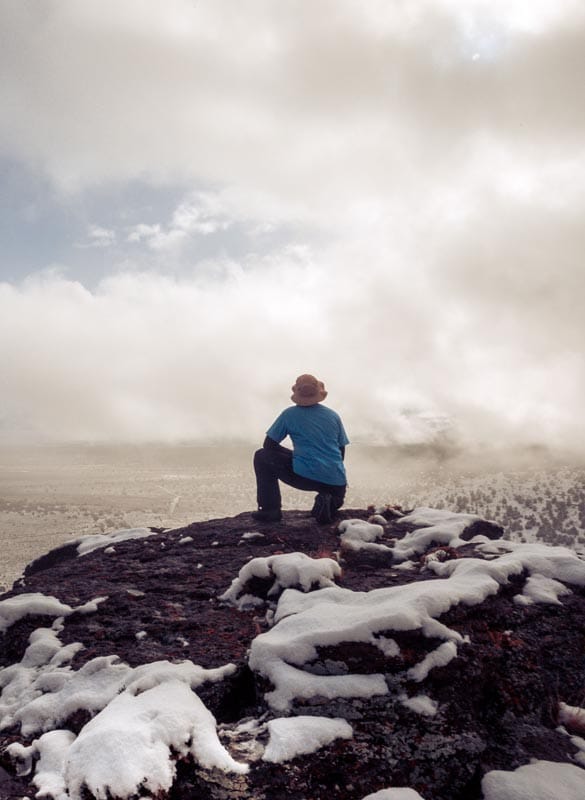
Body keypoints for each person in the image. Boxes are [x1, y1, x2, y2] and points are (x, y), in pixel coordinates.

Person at [252, 374, 349, 524]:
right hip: (336, 482)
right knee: (334, 498)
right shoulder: (332, 415)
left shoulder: (289, 415)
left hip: (305, 477)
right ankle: (329, 501)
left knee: (261, 456)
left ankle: (269, 510)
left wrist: (294, 456)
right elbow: (341, 451)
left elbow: (269, 446)